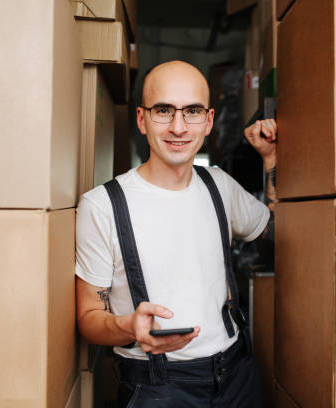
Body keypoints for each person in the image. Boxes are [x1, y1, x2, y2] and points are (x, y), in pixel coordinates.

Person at [75, 60, 277, 407]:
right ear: (141, 119)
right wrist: (128, 327)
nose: (179, 127)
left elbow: (277, 233)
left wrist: (271, 159)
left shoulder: (220, 186)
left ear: (209, 120)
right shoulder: (102, 206)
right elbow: (87, 317)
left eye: (193, 111)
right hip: (158, 389)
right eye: (164, 110)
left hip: (237, 374)